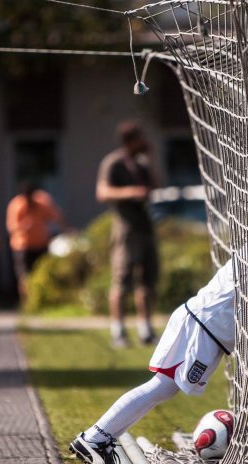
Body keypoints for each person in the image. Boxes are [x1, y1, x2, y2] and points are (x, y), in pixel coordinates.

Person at [69, 181, 248, 464]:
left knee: (162, 389)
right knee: (162, 387)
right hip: (203, 324)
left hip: (211, 330)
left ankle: (98, 438)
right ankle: (94, 438)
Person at [96, 121, 160, 348]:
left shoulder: (141, 163)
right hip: (125, 229)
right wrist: (131, 192)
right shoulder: (114, 163)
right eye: (140, 138)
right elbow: (102, 192)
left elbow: (155, 184)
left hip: (145, 227)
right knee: (121, 279)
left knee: (147, 281)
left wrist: (150, 159)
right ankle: (118, 331)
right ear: (130, 140)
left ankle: (145, 330)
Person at [6, 181, 73, 303]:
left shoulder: (42, 201)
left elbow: (57, 216)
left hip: (41, 244)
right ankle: (27, 302)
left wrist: (68, 230)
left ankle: (42, 301)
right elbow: (11, 227)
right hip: (22, 246)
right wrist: (24, 226)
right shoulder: (17, 205)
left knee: (42, 272)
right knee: (24, 276)